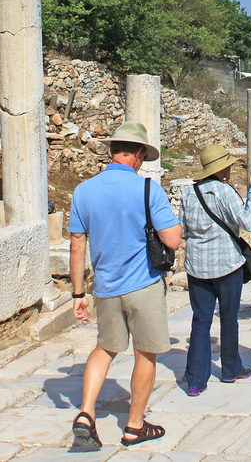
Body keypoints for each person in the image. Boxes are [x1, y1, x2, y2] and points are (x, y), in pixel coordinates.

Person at [68, 122, 182, 450]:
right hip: (143, 283)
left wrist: (78, 294)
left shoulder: (83, 190)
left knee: (104, 348)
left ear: (112, 150)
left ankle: (86, 414)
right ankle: (134, 425)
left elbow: (77, 246)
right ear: (138, 154)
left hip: (105, 286)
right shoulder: (148, 189)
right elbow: (172, 239)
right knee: (145, 355)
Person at [178, 144, 251, 396]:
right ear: (221, 168)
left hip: (197, 267)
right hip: (227, 264)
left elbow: (183, 231)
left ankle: (196, 380)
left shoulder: (188, 193)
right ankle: (230, 368)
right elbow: (247, 221)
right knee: (229, 318)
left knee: (201, 320)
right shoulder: (225, 191)